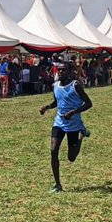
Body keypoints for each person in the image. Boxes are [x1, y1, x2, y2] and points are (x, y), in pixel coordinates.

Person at [39, 62, 93, 193]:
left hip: (74, 125)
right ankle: (57, 185)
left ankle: (82, 134)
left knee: (71, 157)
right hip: (59, 123)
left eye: (63, 70)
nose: (60, 72)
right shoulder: (55, 85)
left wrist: (73, 112)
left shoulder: (76, 86)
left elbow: (89, 103)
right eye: (59, 70)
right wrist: (47, 107)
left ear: (70, 72)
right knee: (53, 150)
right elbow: (57, 101)